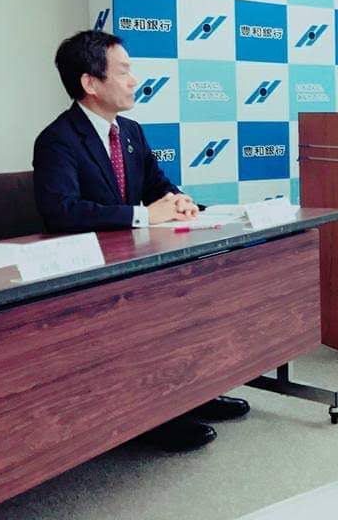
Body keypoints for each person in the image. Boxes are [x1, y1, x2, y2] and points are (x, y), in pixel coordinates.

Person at [33, 30, 250, 452]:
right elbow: (62, 211)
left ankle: (195, 393)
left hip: (137, 258)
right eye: (124, 71)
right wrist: (144, 215)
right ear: (90, 83)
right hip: (93, 271)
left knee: (197, 292)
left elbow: (156, 185)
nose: (134, 80)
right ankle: (154, 415)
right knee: (155, 311)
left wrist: (181, 201)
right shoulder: (58, 139)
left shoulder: (130, 131)